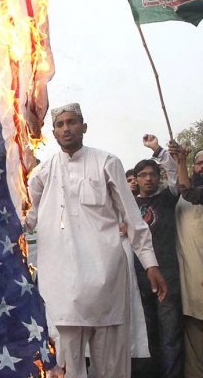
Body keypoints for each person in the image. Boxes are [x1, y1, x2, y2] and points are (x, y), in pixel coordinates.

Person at [26, 103, 167, 378]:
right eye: (60, 124)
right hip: (62, 286)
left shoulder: (107, 162)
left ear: (84, 127)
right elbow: (27, 217)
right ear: (53, 132)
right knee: (66, 369)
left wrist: (150, 263)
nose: (66, 128)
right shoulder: (42, 174)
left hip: (106, 282)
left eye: (72, 122)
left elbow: (133, 218)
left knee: (112, 367)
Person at [132, 135, 183, 378]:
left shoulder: (167, 199)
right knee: (146, 335)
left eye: (153, 174)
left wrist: (158, 150)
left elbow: (174, 175)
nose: (149, 178)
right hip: (139, 282)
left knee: (170, 336)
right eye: (143, 175)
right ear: (137, 179)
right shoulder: (128, 206)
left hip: (168, 278)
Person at [173, 147, 203, 377]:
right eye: (199, 163)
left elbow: (191, 193)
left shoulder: (195, 193)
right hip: (189, 288)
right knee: (194, 353)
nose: (202, 167)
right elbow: (184, 190)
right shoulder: (182, 196)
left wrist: (181, 161)